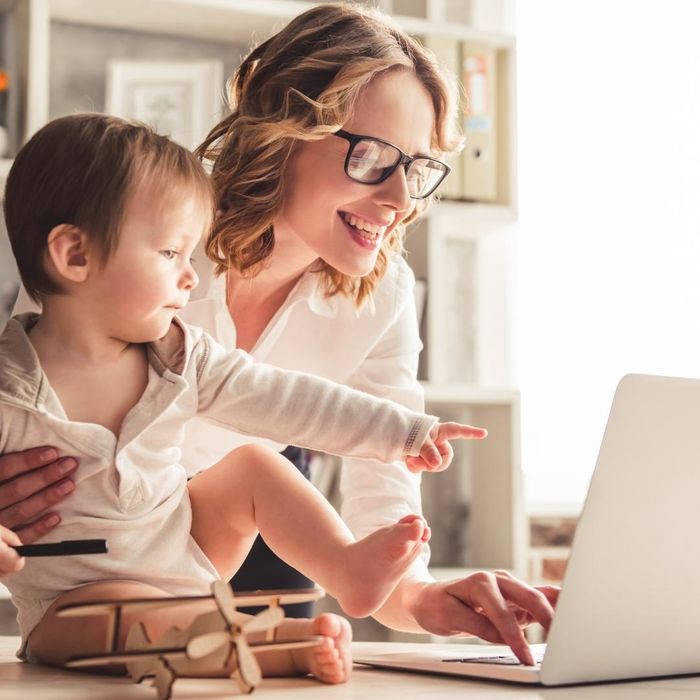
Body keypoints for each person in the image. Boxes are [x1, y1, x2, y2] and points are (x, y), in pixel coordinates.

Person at [5, 4, 557, 666]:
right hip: (79, 569)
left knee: (259, 487)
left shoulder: (381, 298)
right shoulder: (137, 239)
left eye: (416, 169)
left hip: (226, 547)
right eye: (374, 156)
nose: (400, 200)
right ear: (284, 129)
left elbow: (383, 504)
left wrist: (422, 598)